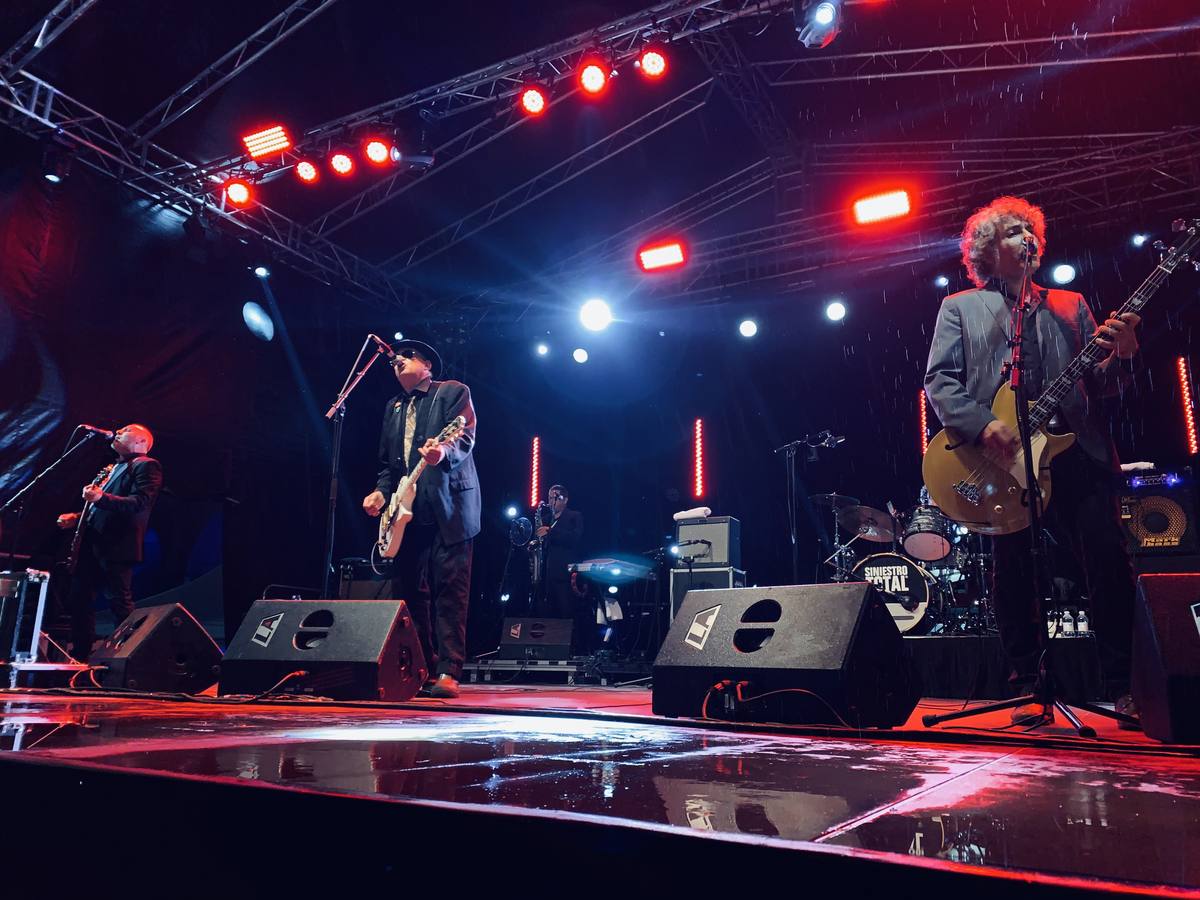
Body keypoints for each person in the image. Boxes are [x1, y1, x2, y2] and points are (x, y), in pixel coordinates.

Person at [924, 196, 1140, 721]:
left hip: (1075, 452)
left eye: (1031, 230)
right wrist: (983, 424)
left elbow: (1103, 386)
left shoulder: (1071, 304)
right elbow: (940, 381)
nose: (1027, 237)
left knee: (1107, 559)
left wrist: (1124, 353)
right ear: (986, 249)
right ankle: (1028, 682)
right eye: (1013, 231)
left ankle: (1125, 682)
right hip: (1002, 459)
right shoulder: (960, 308)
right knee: (1015, 570)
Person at [362, 339, 479, 699]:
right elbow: (389, 463)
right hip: (407, 510)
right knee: (409, 590)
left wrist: (441, 451)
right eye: (395, 358)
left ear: (427, 364)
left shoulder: (452, 391)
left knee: (450, 590)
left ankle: (449, 670)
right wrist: (381, 492)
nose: (398, 360)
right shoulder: (393, 406)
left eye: (407, 356)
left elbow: (463, 435)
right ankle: (423, 667)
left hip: (449, 506)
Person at [56, 424, 162, 661]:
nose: (119, 431)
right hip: (93, 543)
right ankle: (81, 653)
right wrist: (78, 517)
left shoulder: (146, 465)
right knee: (80, 599)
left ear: (141, 442)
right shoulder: (114, 467)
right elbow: (101, 508)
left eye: (126, 430)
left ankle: (128, 654)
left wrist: (101, 497)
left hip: (117, 545)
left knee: (118, 601)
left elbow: (139, 502)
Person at [533, 484, 583, 619]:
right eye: (550, 498)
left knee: (565, 614)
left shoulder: (574, 516)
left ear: (565, 500)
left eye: (555, 498)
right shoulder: (546, 519)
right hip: (545, 576)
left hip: (564, 574)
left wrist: (550, 531)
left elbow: (574, 538)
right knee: (546, 616)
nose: (551, 501)